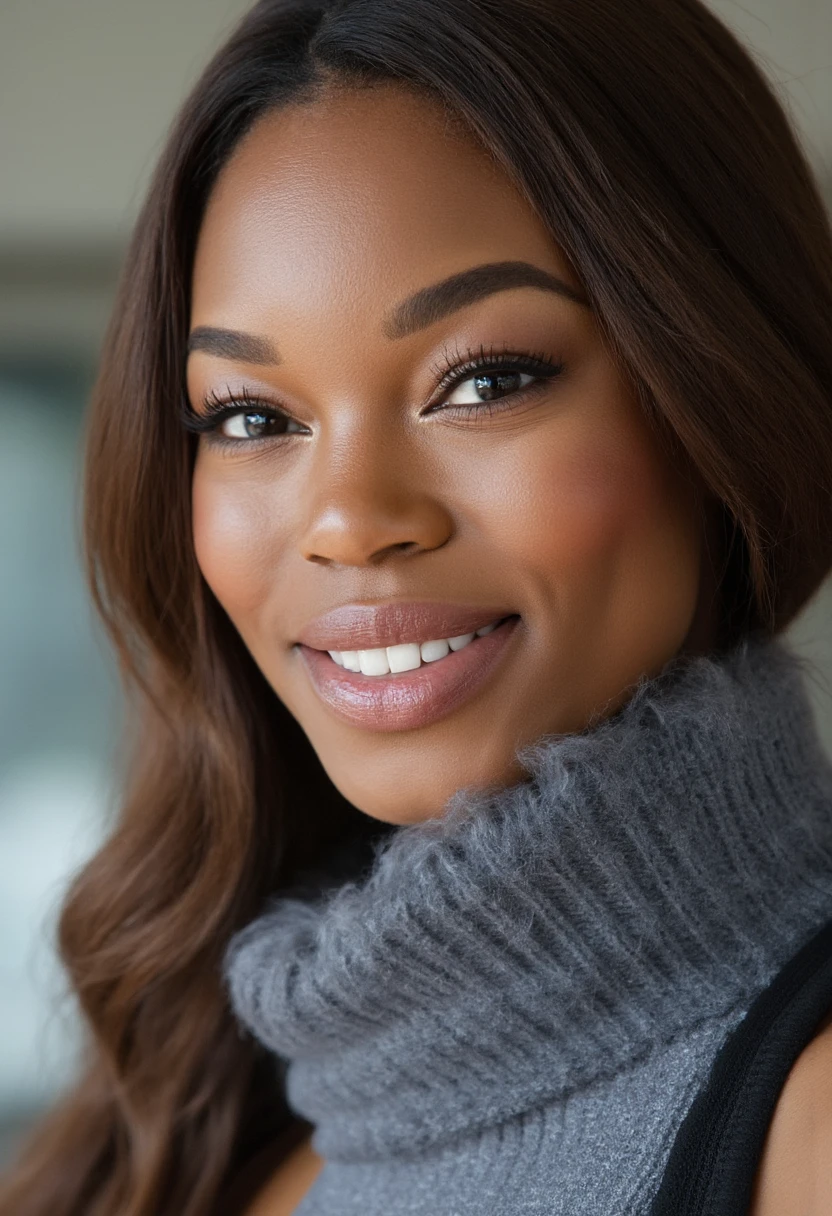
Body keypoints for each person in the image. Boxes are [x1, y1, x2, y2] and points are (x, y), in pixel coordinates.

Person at [2, 0, 832, 1212]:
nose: (348, 517)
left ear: (723, 393)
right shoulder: (181, 1124)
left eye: (486, 380)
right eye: (250, 418)